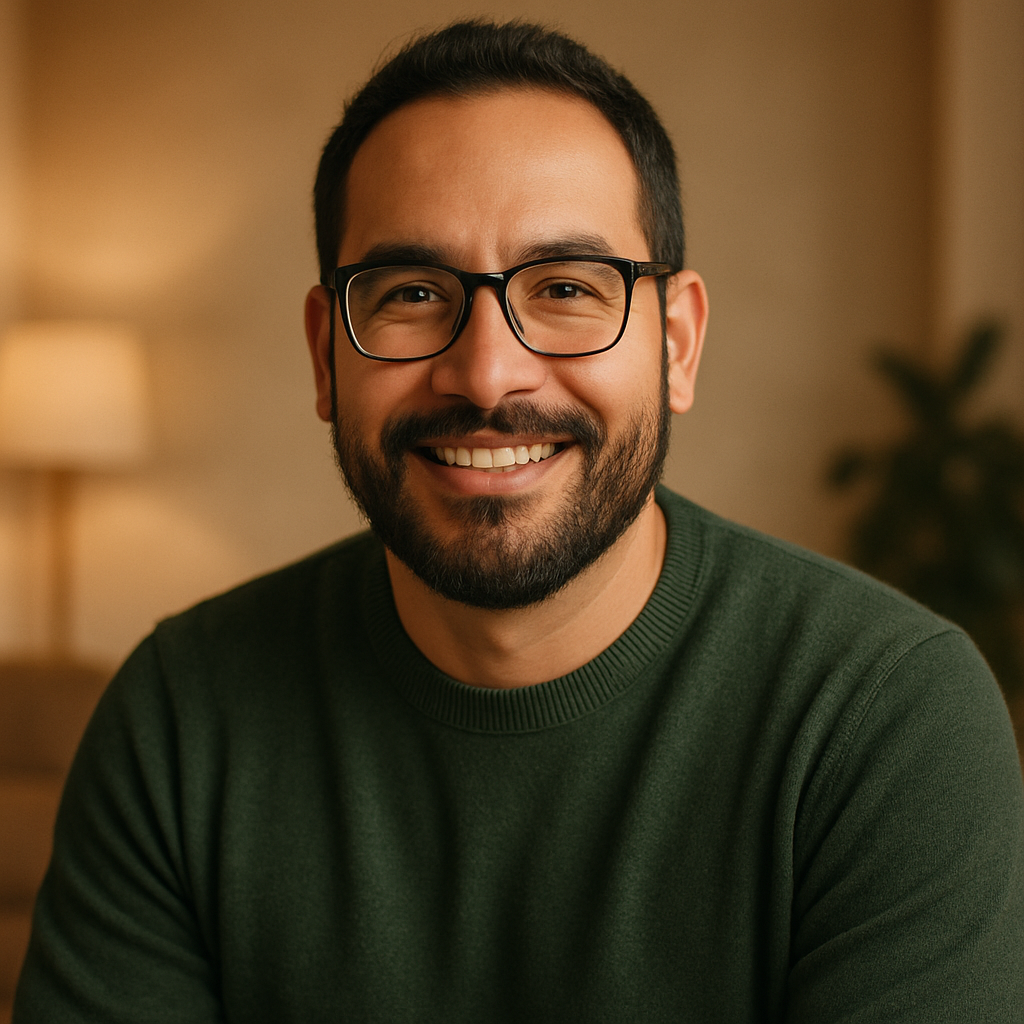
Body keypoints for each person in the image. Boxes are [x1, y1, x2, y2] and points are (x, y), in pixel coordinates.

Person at [14, 20, 1024, 1023]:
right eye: (411, 293)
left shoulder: (884, 717)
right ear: (327, 356)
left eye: (567, 289)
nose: (489, 372)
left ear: (675, 344)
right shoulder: (182, 719)